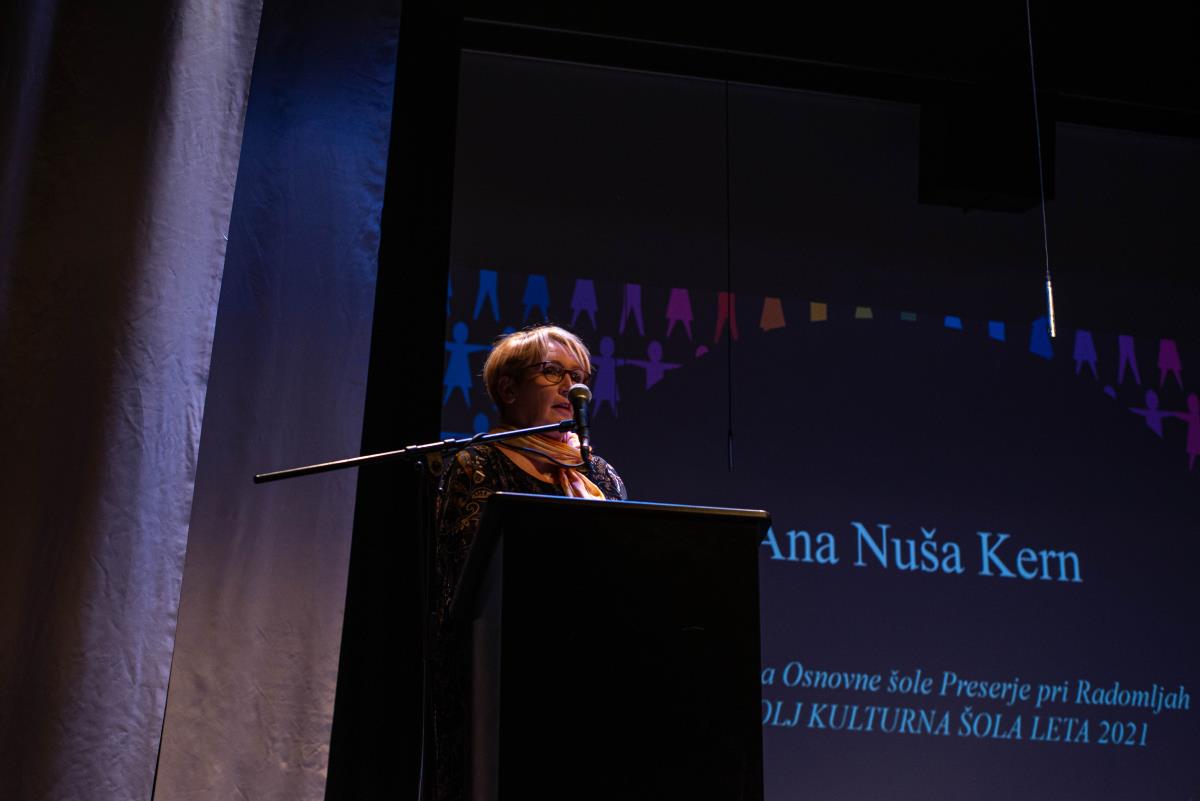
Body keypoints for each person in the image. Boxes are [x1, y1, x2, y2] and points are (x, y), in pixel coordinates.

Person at [431, 324, 627, 801]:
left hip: (590, 674)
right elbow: (465, 585)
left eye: (579, 376)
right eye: (552, 372)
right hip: (502, 682)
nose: (572, 388)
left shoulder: (599, 475)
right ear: (508, 389)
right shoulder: (478, 465)